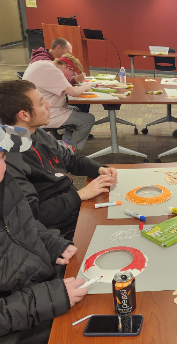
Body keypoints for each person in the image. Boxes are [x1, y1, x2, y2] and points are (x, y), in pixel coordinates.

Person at [0, 124, 87, 343]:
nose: (6, 165)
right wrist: (50, 298)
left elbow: (26, 223)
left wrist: (50, 244)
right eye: (1, 157)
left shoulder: (4, 183)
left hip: (41, 284)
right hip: (21, 321)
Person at [0, 80, 117, 237]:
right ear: (24, 115)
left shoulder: (38, 134)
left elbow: (71, 160)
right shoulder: (7, 161)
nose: (49, 104)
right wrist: (79, 195)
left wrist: (99, 169)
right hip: (58, 229)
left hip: (73, 206)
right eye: (42, 103)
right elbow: (34, 214)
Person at [22, 53, 95, 150]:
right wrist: (86, 86)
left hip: (34, 108)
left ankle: (66, 144)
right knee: (88, 119)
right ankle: (69, 152)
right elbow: (72, 92)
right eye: (73, 74)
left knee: (76, 110)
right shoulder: (53, 71)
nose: (70, 78)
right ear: (67, 67)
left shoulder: (42, 64)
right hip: (42, 112)